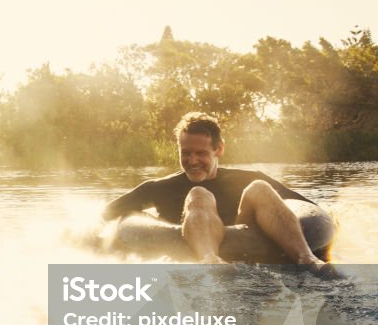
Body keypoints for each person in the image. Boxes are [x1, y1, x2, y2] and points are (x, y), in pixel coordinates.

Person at [102, 112, 327, 265]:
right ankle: (210, 263)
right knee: (199, 195)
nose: (192, 160)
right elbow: (104, 216)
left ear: (218, 149)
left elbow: (311, 210)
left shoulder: (248, 179)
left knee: (260, 188)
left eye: (201, 153)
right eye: (185, 153)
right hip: (195, 256)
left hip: (250, 255)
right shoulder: (158, 188)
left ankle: (307, 259)